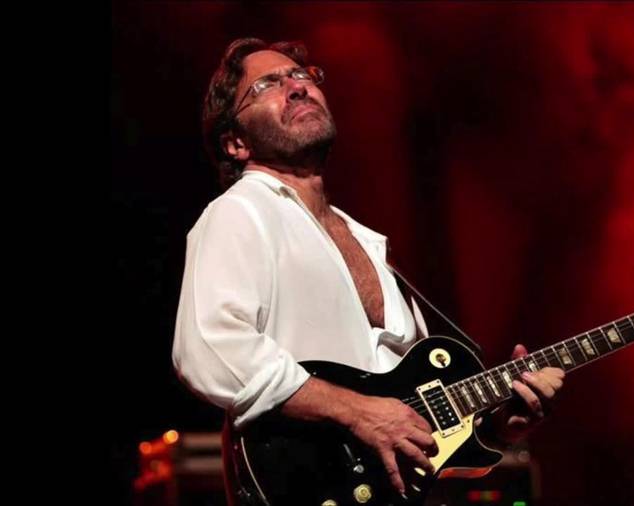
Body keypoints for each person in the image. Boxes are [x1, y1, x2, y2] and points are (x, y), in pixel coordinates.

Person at [172, 37, 564, 502]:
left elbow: (414, 421)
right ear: (235, 143)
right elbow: (209, 349)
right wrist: (358, 412)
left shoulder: (368, 242)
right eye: (267, 85)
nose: (296, 86)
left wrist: (495, 428)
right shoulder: (239, 212)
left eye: (301, 75)